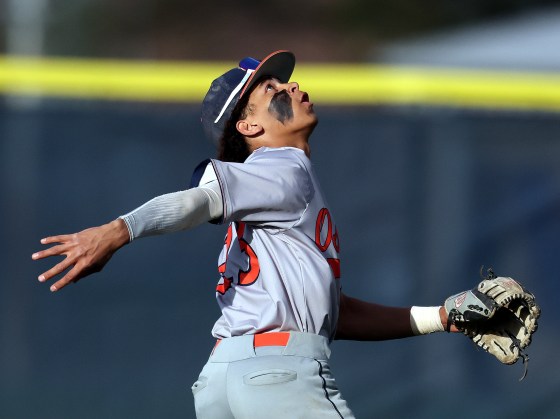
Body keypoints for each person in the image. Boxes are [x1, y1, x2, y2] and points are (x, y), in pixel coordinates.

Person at [32, 50, 484, 419]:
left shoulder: (267, 200)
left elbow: (334, 317)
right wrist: (117, 231)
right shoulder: (281, 167)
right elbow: (198, 201)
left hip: (222, 383)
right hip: (278, 376)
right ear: (249, 127)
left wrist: (442, 317)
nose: (293, 86)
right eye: (272, 90)